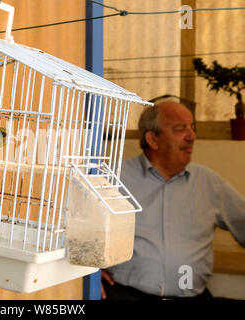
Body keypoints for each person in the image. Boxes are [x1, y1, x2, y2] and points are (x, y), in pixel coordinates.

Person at [101, 99, 245, 300]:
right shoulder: (113, 179)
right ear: (152, 139)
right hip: (125, 294)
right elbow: (75, 231)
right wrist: (90, 273)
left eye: (192, 128)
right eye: (180, 129)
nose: (192, 136)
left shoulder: (209, 183)